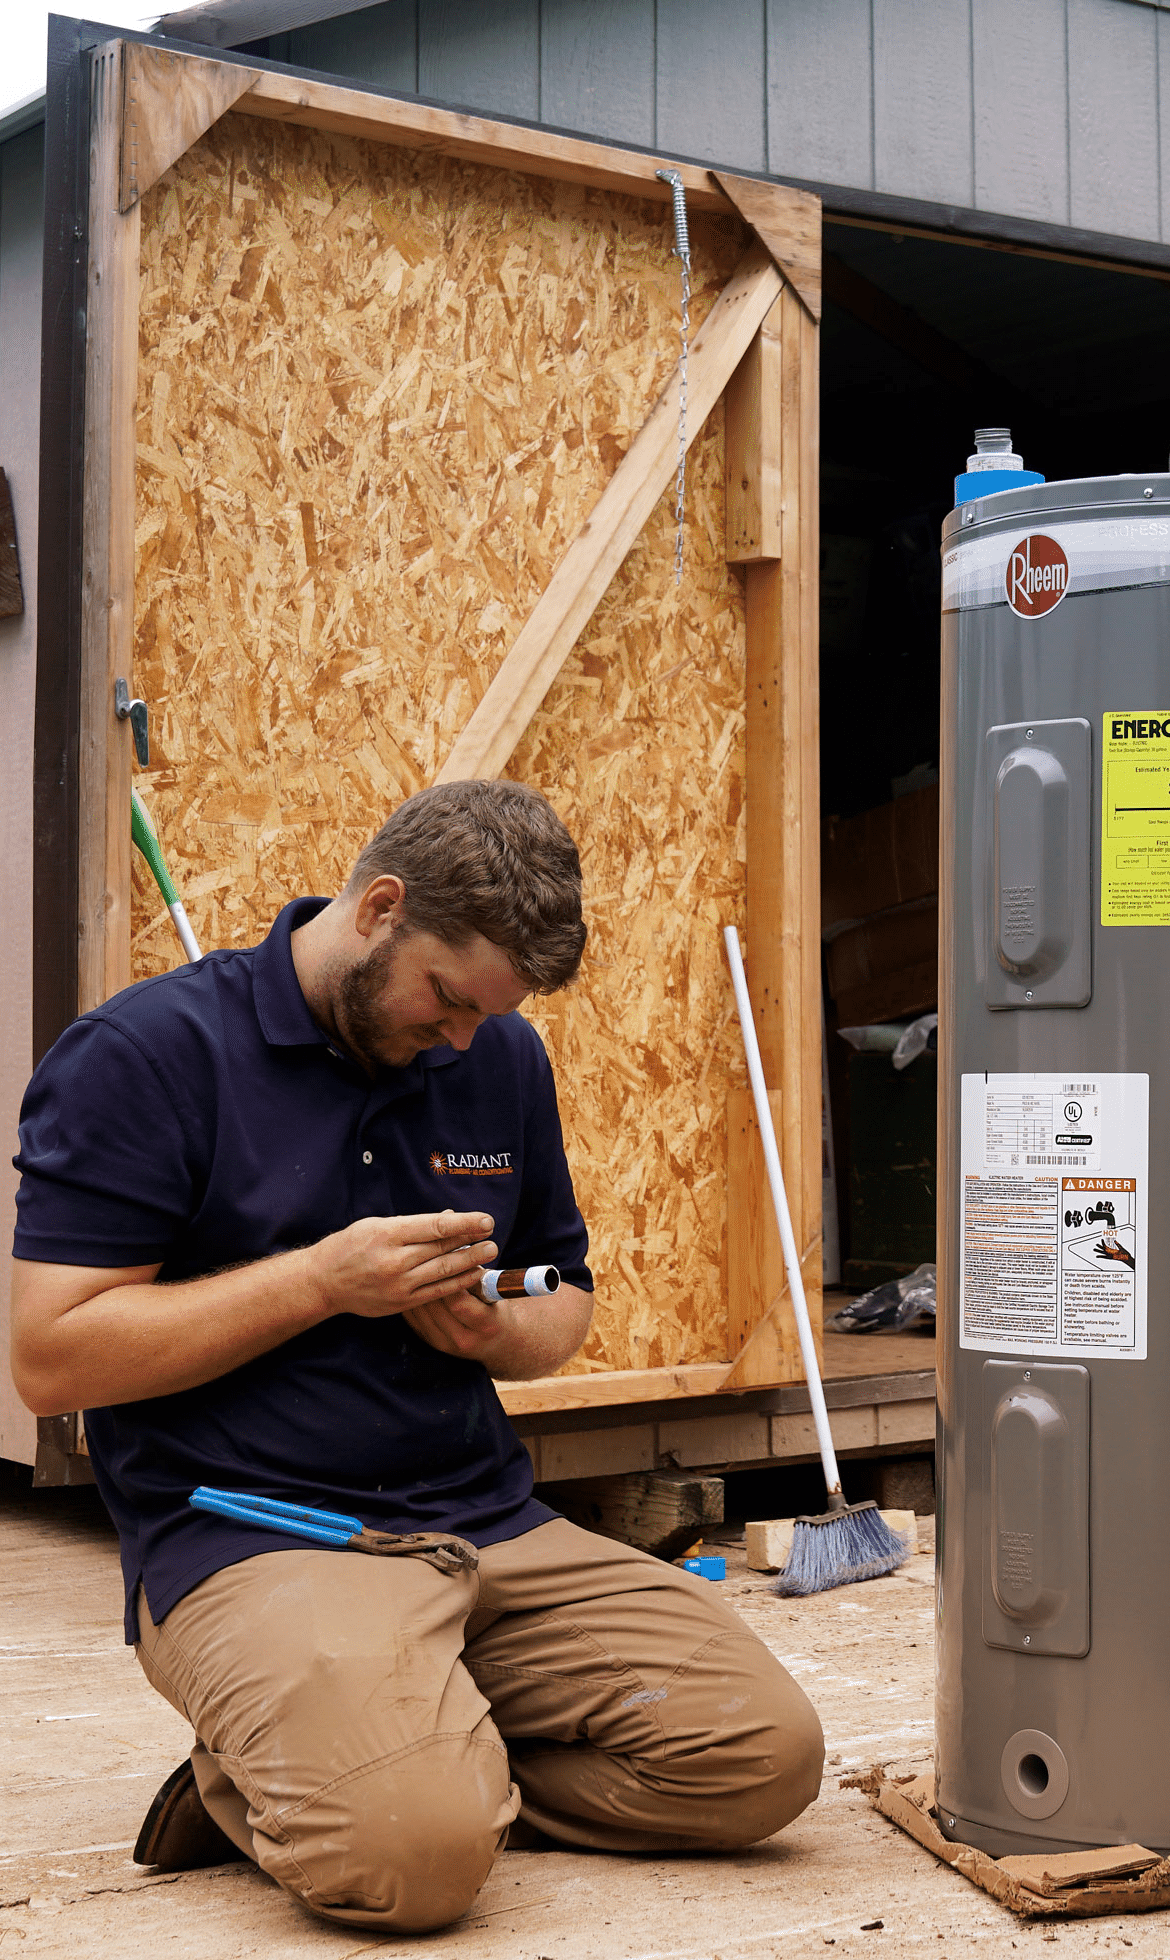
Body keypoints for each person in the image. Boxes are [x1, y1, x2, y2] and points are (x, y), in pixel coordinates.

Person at [9, 781, 822, 1933]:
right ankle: (299, 1776)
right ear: (379, 906)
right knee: (415, 1865)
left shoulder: (497, 1058)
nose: (456, 1039)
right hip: (255, 1534)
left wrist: (500, 1328)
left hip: (485, 1520)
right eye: (443, 999)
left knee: (762, 1762)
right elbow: (50, 1360)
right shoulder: (144, 1055)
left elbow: (563, 1298)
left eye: (484, 1015)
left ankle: (411, 1749)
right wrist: (320, 1280)